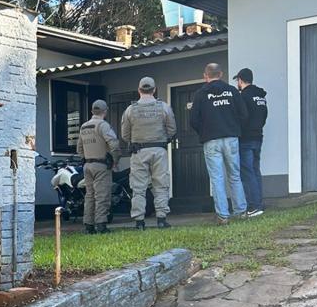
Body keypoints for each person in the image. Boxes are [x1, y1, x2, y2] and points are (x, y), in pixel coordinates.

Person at [191, 63, 249, 224]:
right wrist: (235, 128)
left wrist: (204, 132)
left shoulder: (201, 94)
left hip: (211, 140)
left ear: (205, 76)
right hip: (231, 137)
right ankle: (241, 211)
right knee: (235, 175)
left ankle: (223, 215)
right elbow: (244, 114)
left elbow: (193, 120)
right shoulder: (232, 91)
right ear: (221, 74)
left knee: (217, 178)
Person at [120, 76, 177, 230]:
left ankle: (139, 222)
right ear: (154, 89)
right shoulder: (164, 107)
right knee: (161, 184)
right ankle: (161, 219)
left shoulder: (130, 110)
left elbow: (125, 135)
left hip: (138, 151)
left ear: (139, 90)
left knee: (138, 187)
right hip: (159, 150)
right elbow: (172, 130)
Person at [77, 100, 121, 234]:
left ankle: (88, 226)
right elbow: (113, 145)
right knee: (102, 196)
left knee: (89, 196)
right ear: (105, 111)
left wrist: (84, 158)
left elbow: (79, 147)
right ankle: (101, 225)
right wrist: (115, 160)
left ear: (92, 111)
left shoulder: (84, 127)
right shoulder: (103, 125)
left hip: (87, 165)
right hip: (101, 165)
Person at [234, 67, 268, 217]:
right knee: (255, 171)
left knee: (247, 173)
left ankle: (254, 206)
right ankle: (259, 203)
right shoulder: (261, 96)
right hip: (258, 137)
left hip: (246, 139)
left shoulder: (243, 96)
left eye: (237, 81)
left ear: (240, 80)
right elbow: (264, 116)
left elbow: (242, 116)